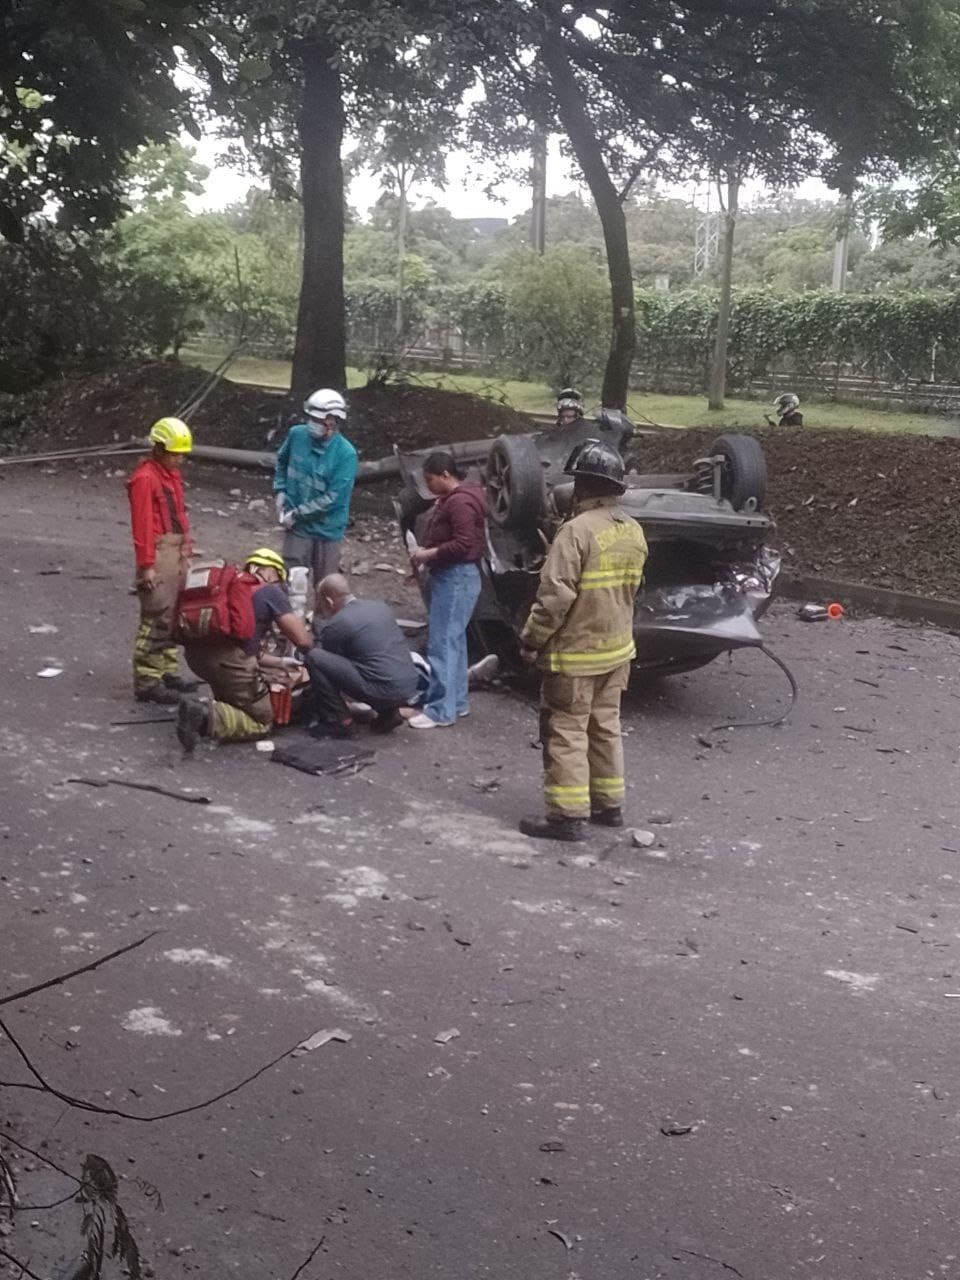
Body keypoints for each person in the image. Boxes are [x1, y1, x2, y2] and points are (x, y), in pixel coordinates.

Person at [517, 440, 648, 842]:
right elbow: (634, 591)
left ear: (585, 486)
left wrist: (531, 640)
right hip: (617, 651)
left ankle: (567, 816)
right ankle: (609, 807)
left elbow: (554, 598)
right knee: (605, 726)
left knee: (567, 729)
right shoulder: (633, 530)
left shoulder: (575, 532)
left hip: (576, 655)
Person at [176, 548, 313, 752]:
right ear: (270, 572)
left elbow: (250, 649)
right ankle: (205, 715)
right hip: (229, 664)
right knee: (263, 720)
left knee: (238, 700)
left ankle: (217, 708)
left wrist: (282, 663)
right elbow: (302, 640)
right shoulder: (270, 591)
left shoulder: (232, 589)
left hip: (196, 658)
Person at [407, 451, 488, 729]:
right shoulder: (463, 498)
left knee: (441, 642)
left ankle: (440, 710)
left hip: (455, 577)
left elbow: (464, 544)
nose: (428, 486)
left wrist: (428, 554)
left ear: (445, 475)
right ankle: (457, 701)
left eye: (430, 479)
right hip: (460, 576)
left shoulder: (459, 504)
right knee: (455, 640)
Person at [127, 416, 197, 706]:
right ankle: (147, 680)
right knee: (156, 615)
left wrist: (186, 550)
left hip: (175, 549)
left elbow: (179, 515)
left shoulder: (169, 475)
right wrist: (146, 565)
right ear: (158, 448)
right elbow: (142, 525)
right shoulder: (145, 479)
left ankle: (167, 671)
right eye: (174, 453)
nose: (178, 459)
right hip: (158, 552)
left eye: (181, 454)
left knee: (173, 614)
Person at [305, 574, 422, 738]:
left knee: (314, 657)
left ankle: (341, 722)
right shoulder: (380, 607)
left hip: (381, 689)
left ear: (329, 601)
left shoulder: (338, 623)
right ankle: (389, 714)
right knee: (376, 663)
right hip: (409, 685)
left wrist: (319, 625)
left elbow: (327, 661)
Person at [273, 388, 358, 583]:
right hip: (298, 528)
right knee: (292, 582)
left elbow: (333, 499)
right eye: (311, 418)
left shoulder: (346, 454)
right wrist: (280, 490)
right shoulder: (296, 435)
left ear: (334, 421)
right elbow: (282, 462)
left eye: (319, 420)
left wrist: (296, 514)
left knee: (326, 586)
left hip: (326, 531)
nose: (313, 424)